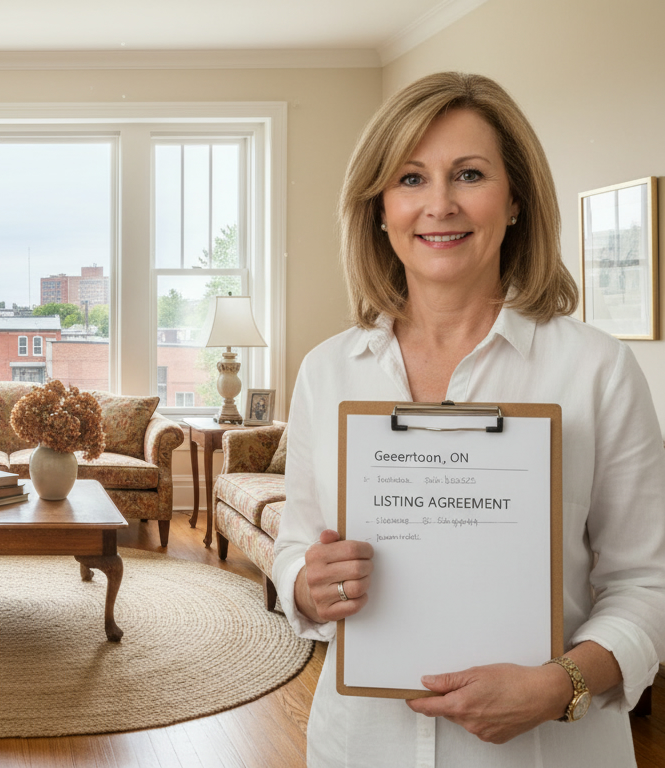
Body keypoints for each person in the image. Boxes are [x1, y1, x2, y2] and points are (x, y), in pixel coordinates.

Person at [271, 72, 665, 766]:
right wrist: (308, 581)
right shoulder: (328, 372)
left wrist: (559, 685)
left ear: (515, 201)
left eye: (470, 174)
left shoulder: (597, 371)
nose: (440, 205)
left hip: (549, 752)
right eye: (411, 179)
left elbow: (648, 586)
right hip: (362, 744)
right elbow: (295, 551)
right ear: (378, 208)